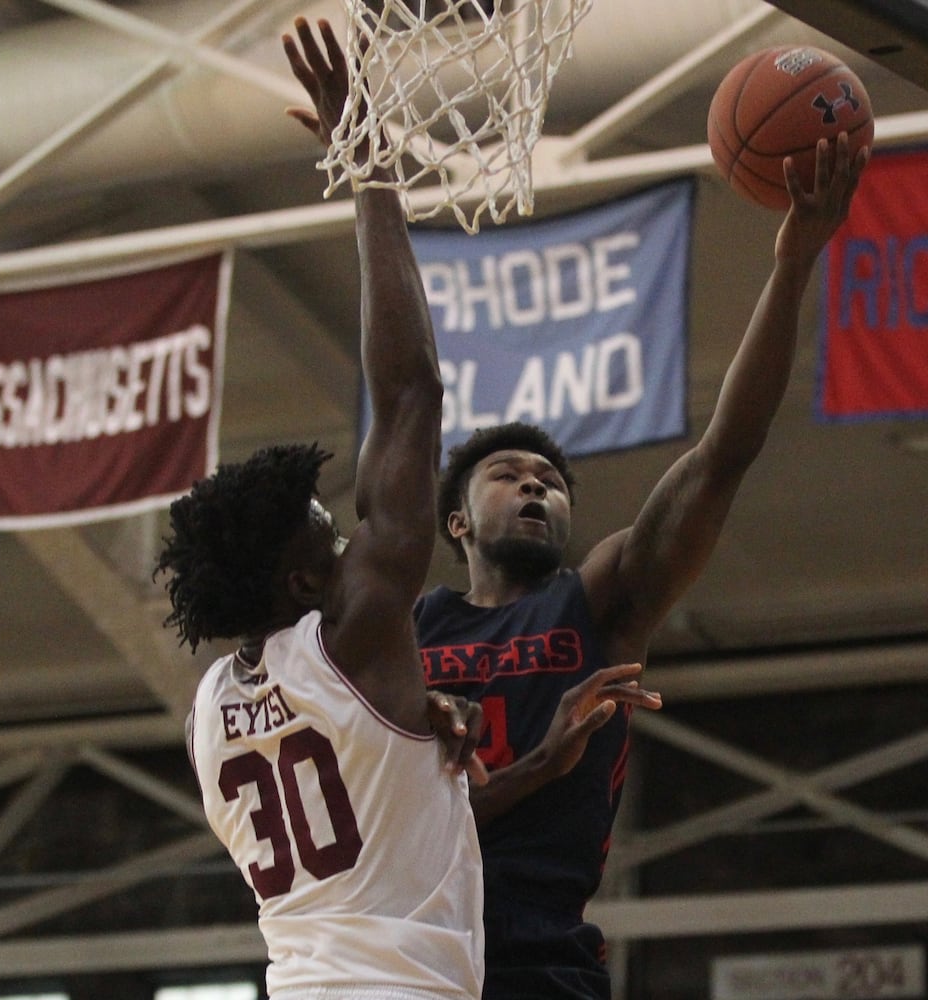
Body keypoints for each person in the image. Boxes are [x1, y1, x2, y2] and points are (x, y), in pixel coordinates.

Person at [414, 133, 870, 999]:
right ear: (455, 520)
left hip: (538, 955)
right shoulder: (412, 630)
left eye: (550, 481)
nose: (536, 489)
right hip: (409, 953)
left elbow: (721, 456)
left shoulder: (599, 600)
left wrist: (794, 264)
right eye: (508, 477)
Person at [157, 18, 484, 1000]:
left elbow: (356, 770)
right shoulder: (357, 630)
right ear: (302, 582)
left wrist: (426, 723)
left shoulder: (212, 709)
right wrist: (369, 172)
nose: (353, 540)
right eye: (332, 537)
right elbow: (411, 391)